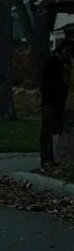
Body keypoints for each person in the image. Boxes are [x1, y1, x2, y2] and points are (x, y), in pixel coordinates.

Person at [40, 38, 74, 167]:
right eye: (67, 50)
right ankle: (46, 159)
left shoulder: (66, 65)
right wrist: (45, 103)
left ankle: (55, 158)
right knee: (47, 132)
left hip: (61, 102)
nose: (69, 54)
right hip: (50, 102)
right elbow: (46, 85)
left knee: (57, 130)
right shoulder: (52, 63)